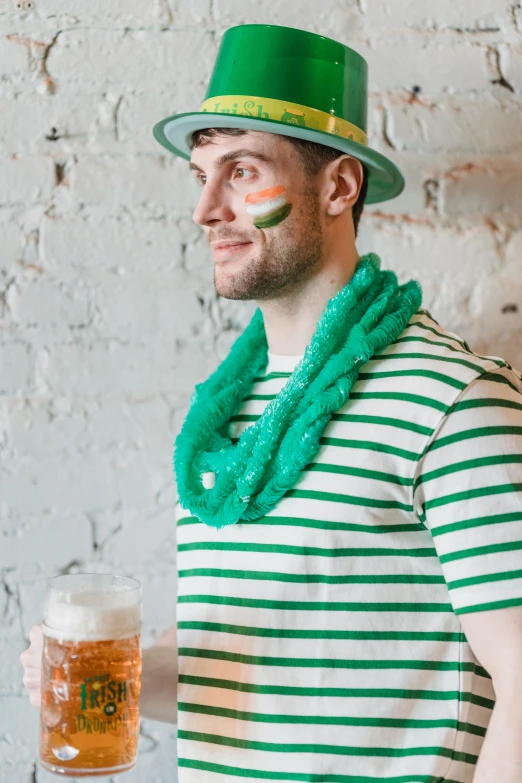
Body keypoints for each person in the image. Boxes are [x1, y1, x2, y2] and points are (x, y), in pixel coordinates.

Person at [22, 24, 522, 783]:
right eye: (200, 175)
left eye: (243, 170)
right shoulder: (224, 423)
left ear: (338, 186)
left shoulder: (452, 403)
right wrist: (106, 677)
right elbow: (243, 678)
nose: (206, 210)